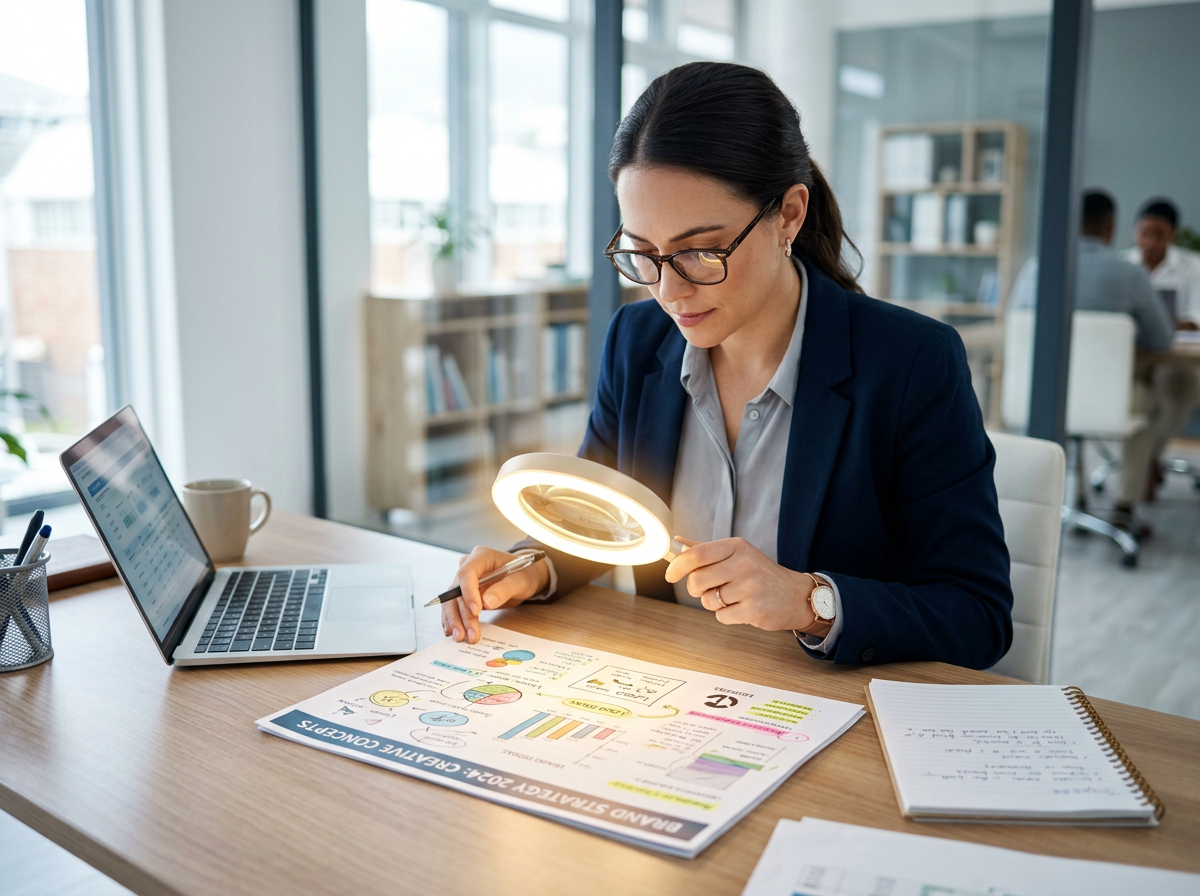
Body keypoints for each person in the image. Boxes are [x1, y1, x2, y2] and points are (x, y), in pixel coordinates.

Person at [442, 62, 1013, 670]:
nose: (669, 292)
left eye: (700, 251)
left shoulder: (911, 363)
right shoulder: (636, 342)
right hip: (671, 686)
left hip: (824, 699)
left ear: (789, 214)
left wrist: (809, 601)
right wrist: (530, 566)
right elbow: (602, 522)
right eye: (643, 252)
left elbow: (977, 615)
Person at [1009, 191, 1173, 522]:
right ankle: (1125, 505)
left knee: (1073, 412)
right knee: (1152, 405)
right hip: (1107, 399)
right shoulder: (1130, 273)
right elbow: (1162, 340)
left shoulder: (1035, 267)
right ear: (1110, 227)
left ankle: (1068, 497)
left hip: (1037, 397)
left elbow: (1016, 325)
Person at [1124, 198, 1200, 480]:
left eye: (1159, 235)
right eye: (1144, 233)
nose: (1150, 241)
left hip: (1174, 357)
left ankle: (1148, 459)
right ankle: (1143, 467)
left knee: (1182, 385)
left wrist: (1159, 323)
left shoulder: (1193, 267)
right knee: (1136, 400)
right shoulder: (1123, 265)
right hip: (1131, 356)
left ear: (1172, 235)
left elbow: (1196, 317)